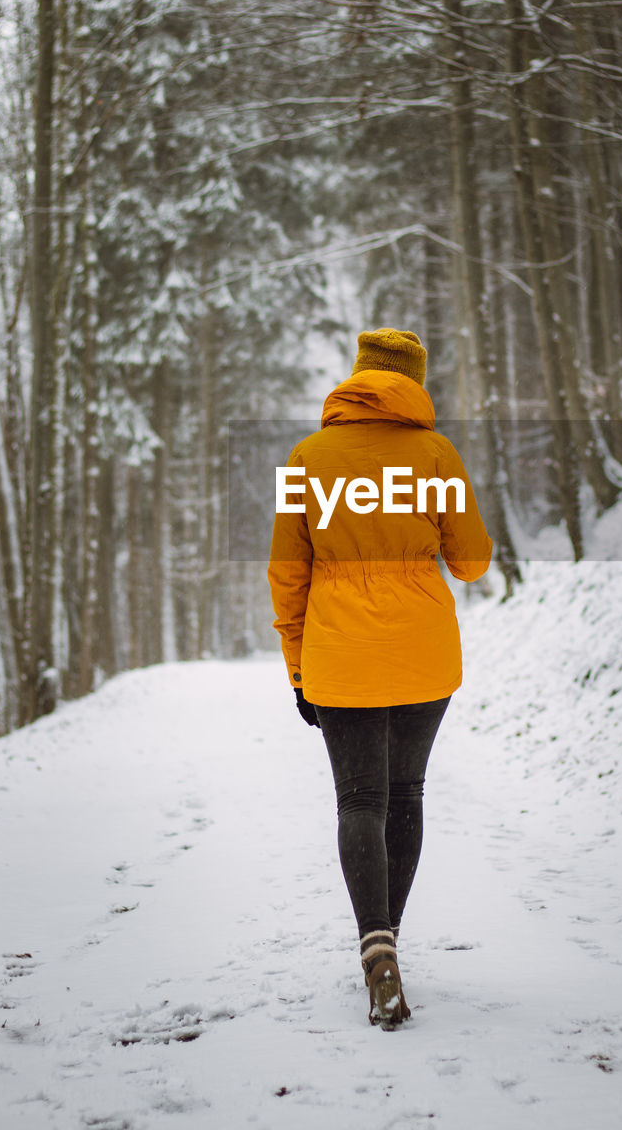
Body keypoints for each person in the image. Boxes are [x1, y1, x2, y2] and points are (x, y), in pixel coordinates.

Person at [267, 328, 493, 1029]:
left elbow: (286, 575)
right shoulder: (435, 454)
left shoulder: (306, 457)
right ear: (414, 383)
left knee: (358, 799)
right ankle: (386, 941)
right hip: (423, 652)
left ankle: (376, 947)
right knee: (406, 792)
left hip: (339, 651)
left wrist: (298, 667)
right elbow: (472, 561)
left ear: (357, 376)